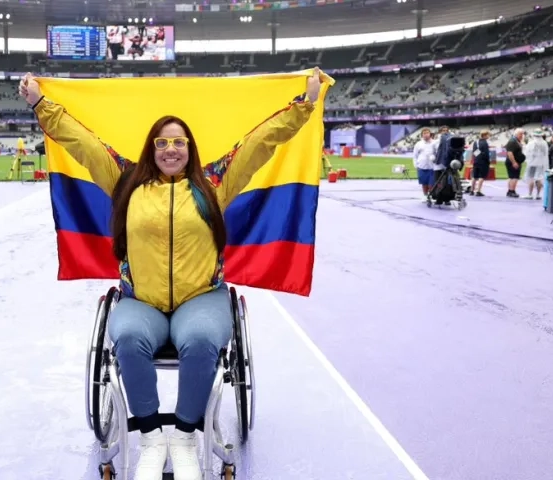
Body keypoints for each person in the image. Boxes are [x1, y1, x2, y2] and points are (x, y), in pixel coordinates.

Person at [19, 70, 326, 480]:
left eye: (179, 141)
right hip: (141, 301)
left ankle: (182, 436)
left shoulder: (214, 183)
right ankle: (150, 436)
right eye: (162, 141)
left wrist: (304, 105)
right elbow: (84, 144)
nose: (170, 148)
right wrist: (42, 104)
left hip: (201, 298)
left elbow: (259, 143)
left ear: (190, 149)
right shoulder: (126, 181)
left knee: (200, 341)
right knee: (126, 338)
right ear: (151, 148)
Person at [523, 130, 549, 200]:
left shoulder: (531, 143)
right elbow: (545, 153)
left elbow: (527, 153)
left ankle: (530, 194)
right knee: (539, 178)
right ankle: (538, 194)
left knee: (531, 178)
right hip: (541, 163)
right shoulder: (544, 143)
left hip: (532, 163)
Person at [412, 127, 435, 197]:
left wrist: (434, 158)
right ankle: (425, 196)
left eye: (427, 133)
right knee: (424, 183)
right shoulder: (418, 144)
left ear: (430, 134)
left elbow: (438, 153)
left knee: (431, 184)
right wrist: (416, 165)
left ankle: (431, 196)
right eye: (424, 133)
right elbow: (415, 155)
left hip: (432, 167)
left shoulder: (435, 143)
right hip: (422, 166)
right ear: (422, 135)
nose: (426, 134)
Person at [504, 128, 526, 198]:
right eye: (520, 134)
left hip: (515, 161)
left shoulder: (516, 141)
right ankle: (512, 191)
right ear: (516, 134)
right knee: (514, 177)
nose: (522, 135)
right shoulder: (512, 141)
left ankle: (510, 191)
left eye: (522, 134)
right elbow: (510, 153)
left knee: (512, 177)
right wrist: (514, 162)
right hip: (513, 162)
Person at [470, 130, 491, 197]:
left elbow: (474, 152)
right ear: (484, 135)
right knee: (482, 176)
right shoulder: (485, 143)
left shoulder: (476, 142)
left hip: (476, 160)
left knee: (474, 176)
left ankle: (472, 190)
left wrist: (478, 156)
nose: (488, 136)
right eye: (488, 135)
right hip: (483, 161)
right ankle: (478, 191)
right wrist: (487, 160)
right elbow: (486, 154)